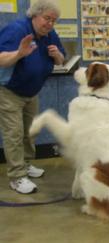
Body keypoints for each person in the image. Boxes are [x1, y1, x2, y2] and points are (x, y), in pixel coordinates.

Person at [0, 0, 65, 194]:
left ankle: (25, 164)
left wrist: (56, 55)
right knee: (14, 133)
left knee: (30, 131)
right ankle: (17, 176)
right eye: (47, 18)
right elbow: (1, 58)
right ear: (34, 15)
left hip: (32, 91)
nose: (50, 24)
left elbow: (62, 60)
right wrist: (19, 53)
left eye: (54, 20)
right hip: (9, 91)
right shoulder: (17, 29)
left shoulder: (49, 34)